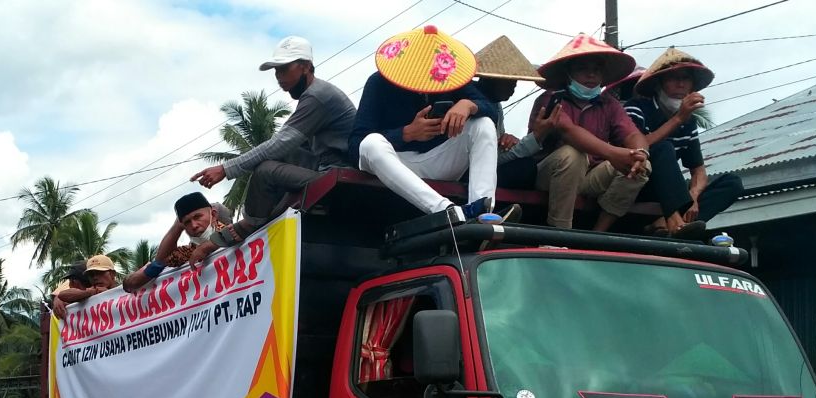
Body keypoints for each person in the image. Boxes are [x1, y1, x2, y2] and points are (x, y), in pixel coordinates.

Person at [190, 36, 357, 245]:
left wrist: (225, 169)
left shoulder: (317, 96)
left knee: (266, 170)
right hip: (326, 168)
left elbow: (279, 144)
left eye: (284, 69)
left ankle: (250, 225)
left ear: (305, 66)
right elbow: (285, 144)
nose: (279, 77)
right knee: (282, 156)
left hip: (339, 174)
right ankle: (262, 220)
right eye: (276, 71)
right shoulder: (314, 95)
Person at [348, 25, 503, 223]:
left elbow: (490, 110)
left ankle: (481, 209)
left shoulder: (451, 79)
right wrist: (406, 134)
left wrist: (468, 105)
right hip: (396, 163)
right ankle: (447, 211)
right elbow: (355, 147)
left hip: (440, 160)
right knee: (371, 143)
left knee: (483, 124)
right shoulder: (379, 82)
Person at [530, 35, 651, 231]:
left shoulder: (609, 104)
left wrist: (640, 153)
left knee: (642, 165)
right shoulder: (552, 99)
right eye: (582, 69)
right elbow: (569, 131)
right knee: (572, 155)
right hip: (550, 175)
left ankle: (598, 233)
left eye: (596, 70)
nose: (591, 75)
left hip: (590, 178)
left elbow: (632, 135)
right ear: (568, 73)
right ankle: (560, 233)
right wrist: (613, 153)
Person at [625, 48, 743, 236]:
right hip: (637, 182)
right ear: (659, 84)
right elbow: (638, 147)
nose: (680, 84)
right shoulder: (636, 109)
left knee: (732, 183)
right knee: (664, 148)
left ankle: (671, 223)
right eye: (673, 78)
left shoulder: (689, 121)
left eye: (686, 78)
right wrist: (678, 118)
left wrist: (693, 196)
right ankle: (675, 223)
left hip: (673, 194)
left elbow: (699, 171)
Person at [471, 36, 556, 191]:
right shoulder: (476, 106)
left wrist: (506, 142)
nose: (514, 87)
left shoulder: (495, 106)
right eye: (510, 81)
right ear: (491, 79)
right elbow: (491, 159)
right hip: (469, 172)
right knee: (525, 168)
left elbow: (498, 150)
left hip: (482, 169)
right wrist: (535, 137)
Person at [122, 194, 227, 292]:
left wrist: (209, 246)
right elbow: (161, 260)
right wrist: (176, 227)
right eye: (187, 222)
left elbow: (236, 234)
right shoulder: (189, 253)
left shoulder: (234, 234)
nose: (194, 225)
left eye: (197, 217)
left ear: (213, 215)